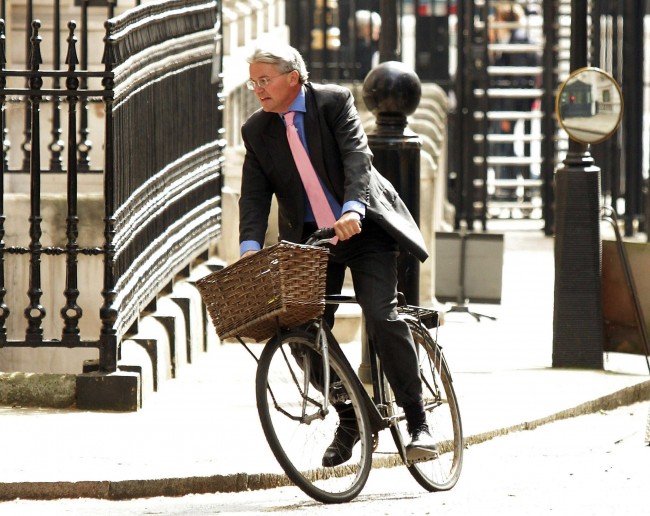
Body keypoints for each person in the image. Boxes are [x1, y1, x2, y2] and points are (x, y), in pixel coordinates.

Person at [238, 43, 437, 466]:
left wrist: (352, 207)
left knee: (382, 316)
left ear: (293, 77)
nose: (257, 88)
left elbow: (356, 157)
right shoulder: (257, 130)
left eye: (264, 80)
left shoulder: (333, 102)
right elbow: (254, 196)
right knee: (302, 333)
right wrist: (249, 248)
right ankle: (353, 416)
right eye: (252, 81)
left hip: (362, 227)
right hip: (312, 241)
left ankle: (419, 421)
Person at [488, 2, 540, 202]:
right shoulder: (512, 39)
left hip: (510, 107)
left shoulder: (517, 42)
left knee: (502, 147)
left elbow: (515, 81)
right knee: (502, 146)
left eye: (498, 19)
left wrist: (507, 114)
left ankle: (509, 189)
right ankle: (513, 185)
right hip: (506, 106)